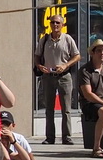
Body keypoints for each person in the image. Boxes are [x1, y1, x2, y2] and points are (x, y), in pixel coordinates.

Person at [33, 13, 81, 144]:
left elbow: (77, 56)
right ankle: (50, 137)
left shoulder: (68, 39)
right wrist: (39, 66)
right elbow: (36, 56)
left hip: (64, 76)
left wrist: (65, 65)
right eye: (53, 22)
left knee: (66, 109)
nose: (55, 25)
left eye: (57, 23)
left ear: (62, 25)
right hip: (48, 76)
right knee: (49, 109)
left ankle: (67, 137)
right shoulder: (44, 39)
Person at [79, 41, 103, 158]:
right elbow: (88, 94)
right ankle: (96, 148)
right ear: (92, 53)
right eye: (99, 51)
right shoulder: (85, 70)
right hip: (90, 103)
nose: (102, 53)